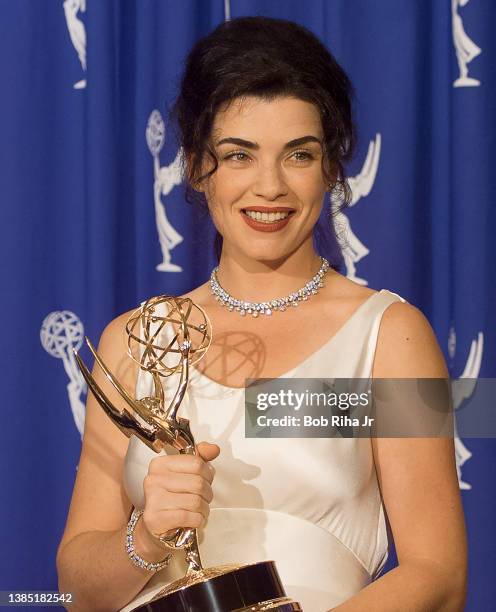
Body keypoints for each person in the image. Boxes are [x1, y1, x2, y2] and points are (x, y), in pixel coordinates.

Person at [56, 16, 467, 612]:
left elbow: (438, 576)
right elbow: (72, 591)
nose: (269, 186)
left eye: (298, 155)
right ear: (198, 167)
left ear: (331, 167)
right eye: (239, 156)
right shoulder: (134, 342)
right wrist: (144, 539)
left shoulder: (390, 337)